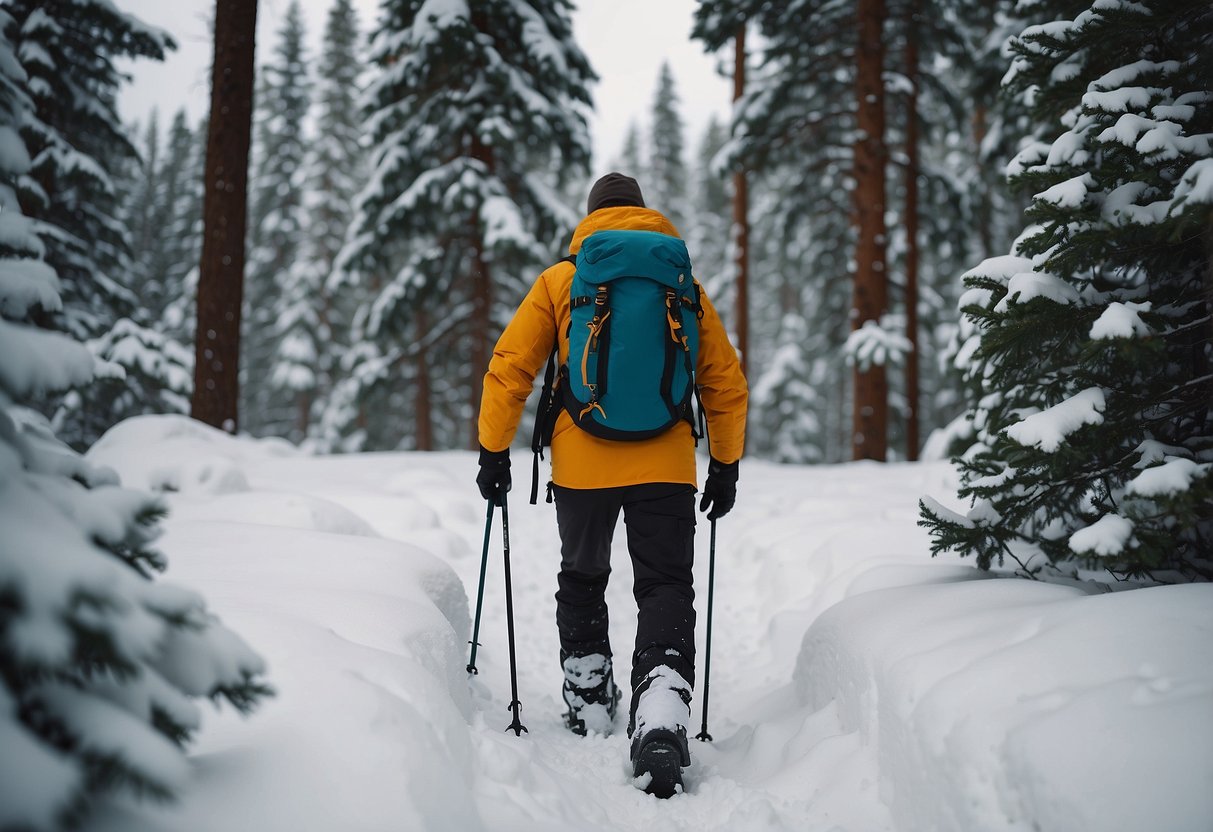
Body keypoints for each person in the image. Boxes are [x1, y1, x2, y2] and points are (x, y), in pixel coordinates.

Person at [476, 172, 747, 797]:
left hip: (582, 463)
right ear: (645, 216)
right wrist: (725, 464)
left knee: (582, 575)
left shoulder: (562, 280)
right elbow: (724, 384)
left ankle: (589, 696)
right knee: (665, 584)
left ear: (591, 217)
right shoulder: (684, 286)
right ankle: (661, 712)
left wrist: (494, 451)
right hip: (667, 465)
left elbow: (509, 367)